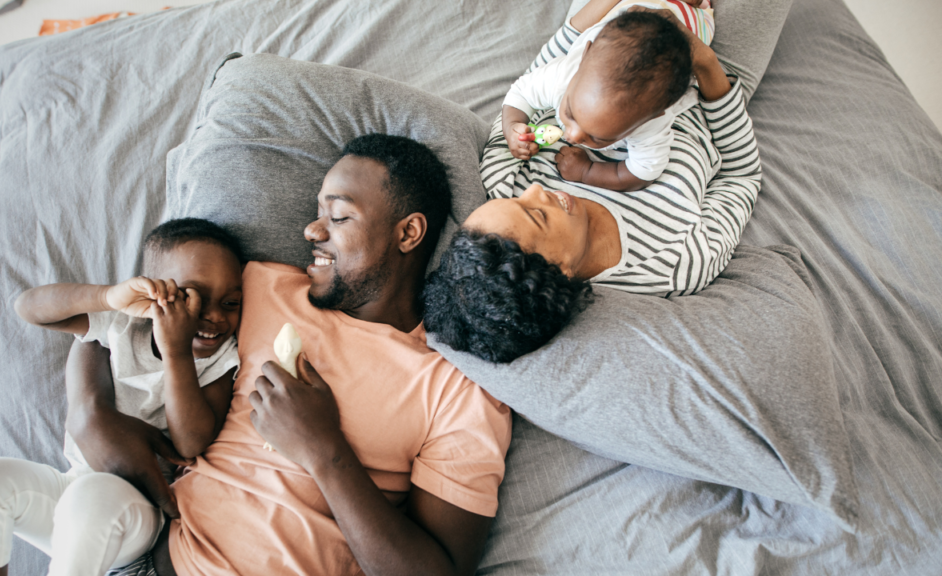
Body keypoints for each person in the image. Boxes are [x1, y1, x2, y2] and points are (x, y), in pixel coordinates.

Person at [68, 134, 513, 576]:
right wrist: (89, 407)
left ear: (408, 233)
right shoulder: (256, 287)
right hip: (156, 557)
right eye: (319, 211)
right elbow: (123, 317)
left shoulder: (459, 390)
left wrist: (325, 451)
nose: (312, 230)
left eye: (338, 216)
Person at [424, 6, 761, 363]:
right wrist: (705, 61)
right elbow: (742, 174)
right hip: (714, 86)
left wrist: (607, 22)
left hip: (605, 44)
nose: (535, 190)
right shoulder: (672, 263)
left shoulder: (503, 175)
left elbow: (547, 73)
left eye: (515, 198)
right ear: (562, 271)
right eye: (537, 214)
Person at [0, 218, 245, 576]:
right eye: (190, 298)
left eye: (230, 302)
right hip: (73, 488)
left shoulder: (221, 358)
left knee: (90, 500)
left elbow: (192, 440)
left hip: (136, 513)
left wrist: (177, 351)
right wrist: (107, 297)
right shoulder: (122, 324)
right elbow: (29, 309)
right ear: (154, 292)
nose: (214, 315)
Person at [503, 0, 715, 191]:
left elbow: (641, 173)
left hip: (686, 24)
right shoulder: (564, 76)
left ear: (653, 117)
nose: (572, 136)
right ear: (584, 56)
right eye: (570, 113)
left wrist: (588, 171)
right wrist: (512, 127)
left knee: (701, 17)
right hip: (628, 13)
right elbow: (520, 92)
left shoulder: (651, 125)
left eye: (597, 138)